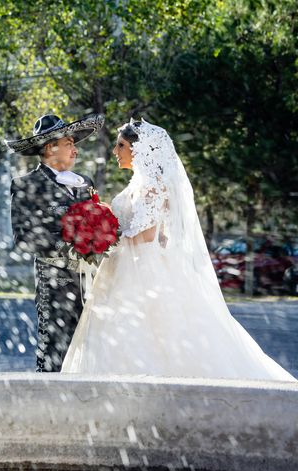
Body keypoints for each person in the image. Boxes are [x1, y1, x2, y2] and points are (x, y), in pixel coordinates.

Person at [61, 119, 296, 381]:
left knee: (152, 333)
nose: (115, 151)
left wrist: (104, 237)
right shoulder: (138, 184)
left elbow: (148, 235)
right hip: (127, 264)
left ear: (140, 150)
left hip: (143, 271)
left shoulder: (154, 186)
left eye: (121, 145)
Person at [6, 113, 105, 372]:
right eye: (69, 143)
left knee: (92, 350)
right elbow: (24, 237)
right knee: (55, 350)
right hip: (55, 282)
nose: (75, 149)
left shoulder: (85, 184)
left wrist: (100, 241)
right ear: (51, 148)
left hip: (91, 281)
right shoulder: (26, 184)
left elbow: (97, 223)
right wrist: (73, 249)